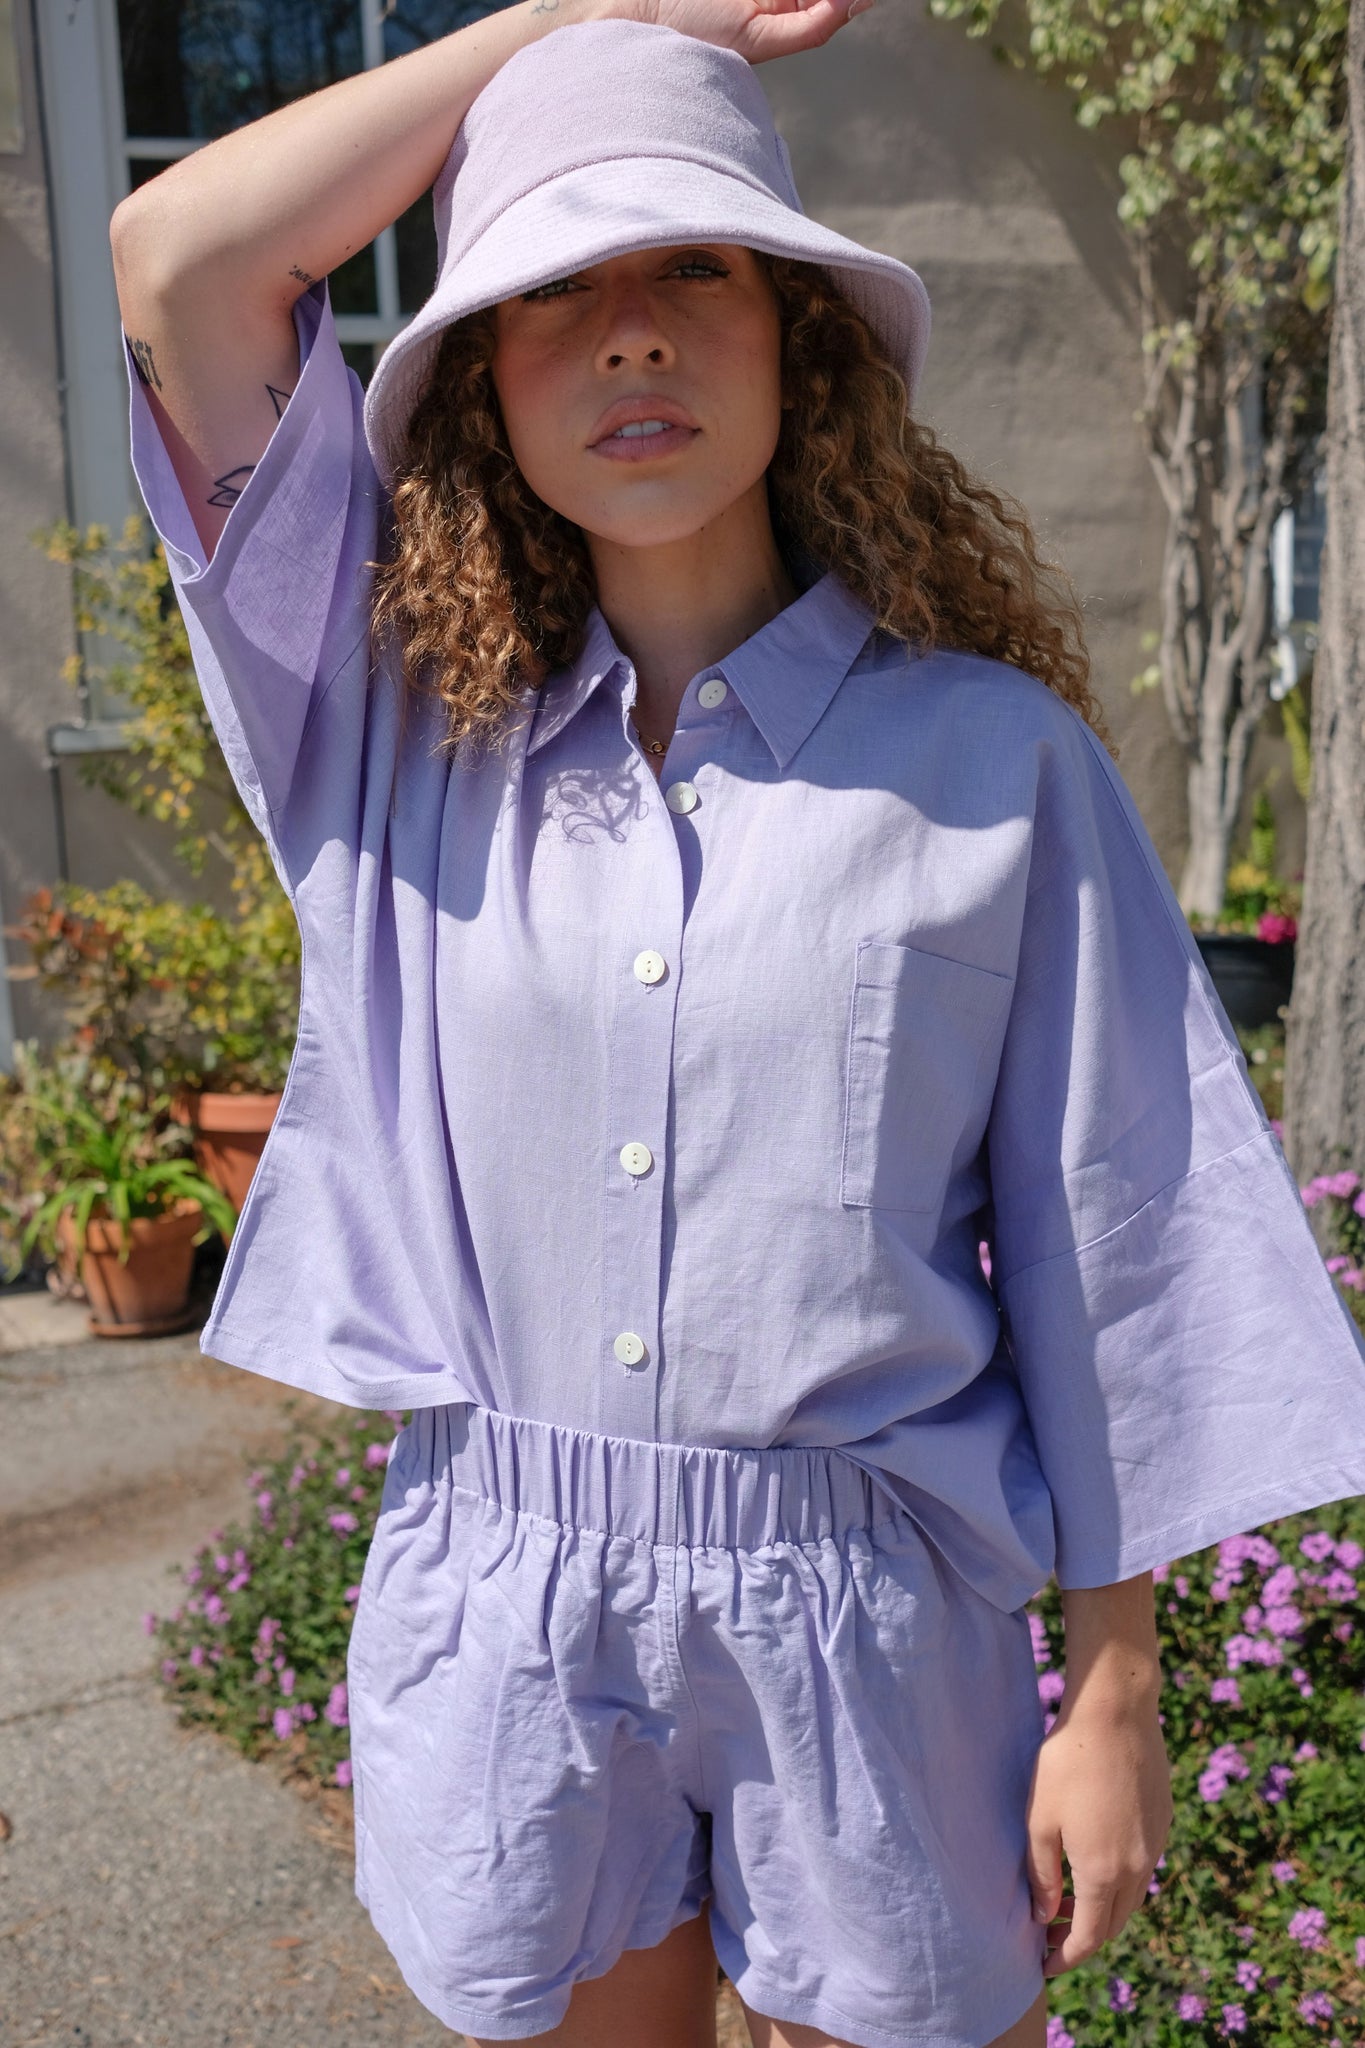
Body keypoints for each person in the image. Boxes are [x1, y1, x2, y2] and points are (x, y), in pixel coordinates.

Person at [109, 3, 1365, 2045]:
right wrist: (593, 16)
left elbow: (1117, 1236)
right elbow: (178, 255)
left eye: (691, 266)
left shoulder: (993, 770)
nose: (628, 336)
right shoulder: (386, 730)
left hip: (872, 1625)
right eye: (554, 289)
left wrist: (1115, 1689)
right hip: (518, 1608)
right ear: (479, 382)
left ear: (798, 339)